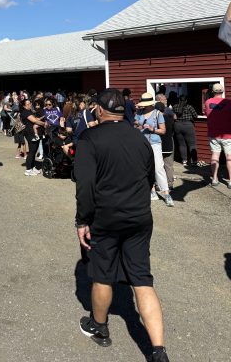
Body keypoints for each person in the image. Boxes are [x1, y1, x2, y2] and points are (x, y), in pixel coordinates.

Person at [74, 88, 170, 362]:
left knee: (103, 274)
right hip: (139, 216)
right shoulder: (140, 138)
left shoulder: (89, 139)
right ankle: (158, 350)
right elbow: (150, 176)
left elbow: (85, 186)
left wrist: (83, 220)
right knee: (141, 279)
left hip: (106, 217)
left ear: (100, 110)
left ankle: (99, 327)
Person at [135, 93, 174, 207]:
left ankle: (166, 194)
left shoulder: (157, 113)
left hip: (155, 143)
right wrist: (139, 126)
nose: (144, 106)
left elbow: (163, 131)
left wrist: (152, 129)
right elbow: (136, 126)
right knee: (146, 168)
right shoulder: (139, 113)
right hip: (142, 143)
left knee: (158, 168)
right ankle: (152, 191)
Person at [204, 83, 231, 188]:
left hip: (213, 134)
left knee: (215, 156)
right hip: (228, 134)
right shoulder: (230, 103)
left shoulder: (207, 102)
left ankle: (215, 179)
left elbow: (207, 114)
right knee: (229, 157)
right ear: (223, 91)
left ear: (213, 91)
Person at [20, 99, 46, 176]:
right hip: (30, 133)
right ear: (24, 106)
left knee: (34, 150)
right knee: (32, 151)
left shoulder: (30, 111)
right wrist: (44, 123)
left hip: (33, 133)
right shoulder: (25, 112)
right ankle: (28, 170)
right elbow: (34, 120)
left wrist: (43, 117)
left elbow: (36, 119)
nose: (29, 105)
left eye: (30, 103)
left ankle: (33, 167)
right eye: (27, 104)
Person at [155, 94, 176, 190]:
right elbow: (173, 130)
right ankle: (170, 183)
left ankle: (158, 184)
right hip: (168, 142)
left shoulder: (154, 119)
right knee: (169, 164)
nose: (166, 100)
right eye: (164, 99)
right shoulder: (170, 116)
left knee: (158, 165)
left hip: (158, 143)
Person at [173, 95, 198, 166]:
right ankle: (194, 161)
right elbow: (195, 116)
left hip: (177, 125)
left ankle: (184, 161)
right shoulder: (189, 107)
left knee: (181, 144)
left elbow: (174, 116)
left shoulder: (175, 106)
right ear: (186, 100)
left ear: (179, 100)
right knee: (192, 144)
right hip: (188, 125)